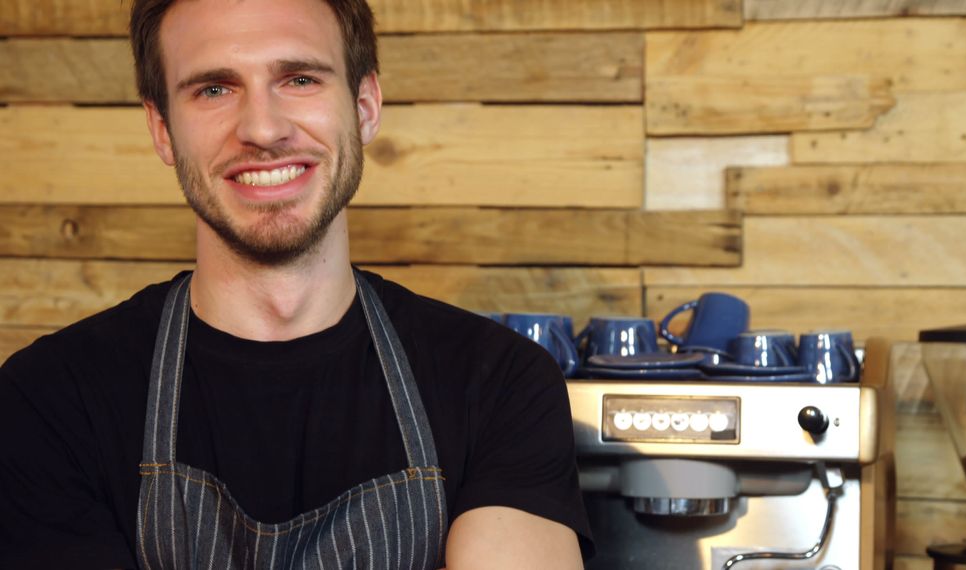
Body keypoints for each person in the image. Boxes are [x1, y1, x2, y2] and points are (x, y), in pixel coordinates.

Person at [0, 0, 592, 567]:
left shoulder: (501, 385)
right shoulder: (49, 400)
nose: (262, 128)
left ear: (364, 106)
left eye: (300, 79)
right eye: (214, 89)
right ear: (162, 130)